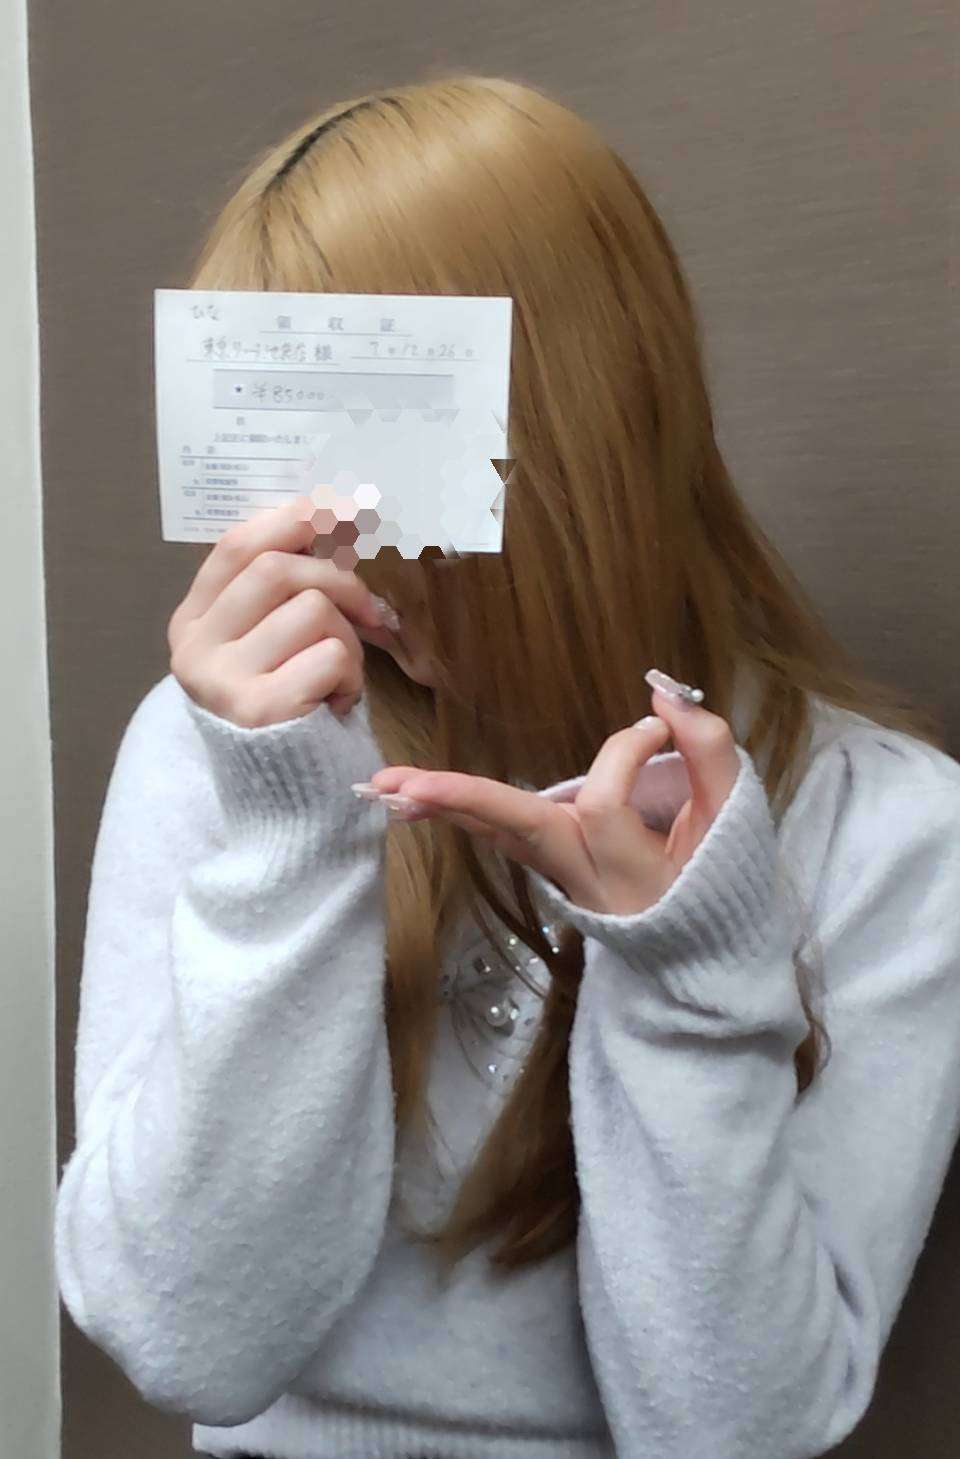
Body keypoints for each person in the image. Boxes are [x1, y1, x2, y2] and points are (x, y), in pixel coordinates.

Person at [53, 74, 960, 1459]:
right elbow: (186, 1342)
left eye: (374, 440)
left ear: (579, 428)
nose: (329, 531)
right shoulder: (214, 750)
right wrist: (290, 838)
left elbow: (733, 1433)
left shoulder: (886, 826)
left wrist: (686, 973)